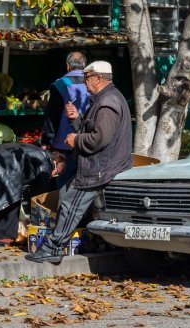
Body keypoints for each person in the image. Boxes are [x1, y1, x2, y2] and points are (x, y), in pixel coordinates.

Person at [25, 60, 132, 264]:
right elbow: (94, 128)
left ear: (98, 78)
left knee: (70, 203)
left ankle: (53, 247)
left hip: (99, 168)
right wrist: (76, 119)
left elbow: (99, 139)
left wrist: (76, 140)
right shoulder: (105, 98)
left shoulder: (108, 102)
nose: (84, 82)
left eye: (87, 77)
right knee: (69, 197)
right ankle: (88, 243)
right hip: (101, 166)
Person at [40, 51, 90, 189]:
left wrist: (45, 140)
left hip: (64, 145)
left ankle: (64, 210)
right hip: (87, 144)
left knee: (64, 186)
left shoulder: (60, 84)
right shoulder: (93, 84)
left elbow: (52, 116)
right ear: (85, 66)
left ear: (67, 66)